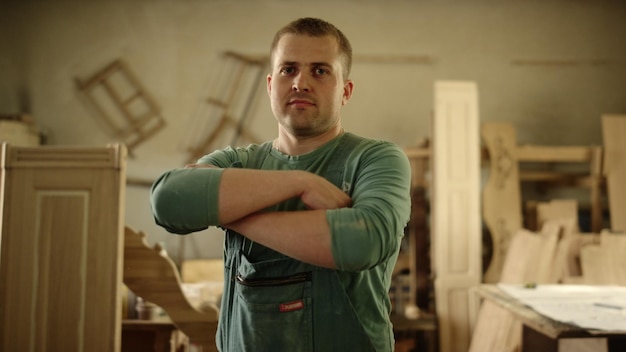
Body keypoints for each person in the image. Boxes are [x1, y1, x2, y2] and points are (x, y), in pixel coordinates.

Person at [150, 17, 411, 352]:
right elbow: (168, 201)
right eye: (289, 69)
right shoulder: (237, 162)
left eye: (320, 70)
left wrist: (228, 215)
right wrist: (297, 182)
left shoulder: (377, 159)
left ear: (345, 91)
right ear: (271, 85)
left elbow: (363, 239)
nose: (300, 82)